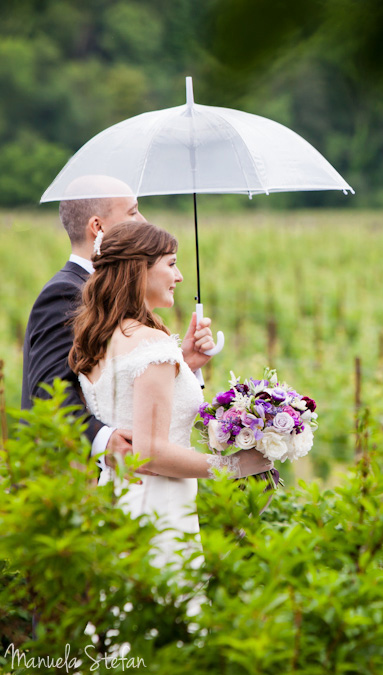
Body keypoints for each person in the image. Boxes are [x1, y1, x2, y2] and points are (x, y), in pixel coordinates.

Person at [68, 220, 273, 567]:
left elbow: (131, 405)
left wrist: (187, 362)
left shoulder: (100, 336)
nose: (178, 277)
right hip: (157, 507)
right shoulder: (151, 343)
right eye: (171, 263)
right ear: (139, 270)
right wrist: (234, 465)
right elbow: (151, 454)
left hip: (116, 499)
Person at [21, 175, 212, 475]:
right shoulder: (67, 292)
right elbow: (49, 389)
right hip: (74, 481)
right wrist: (104, 438)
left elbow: (116, 378)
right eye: (133, 212)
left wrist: (183, 364)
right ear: (98, 226)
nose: (144, 220)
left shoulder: (114, 302)